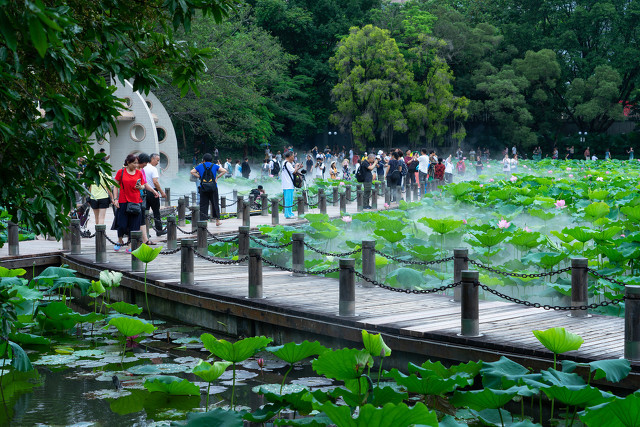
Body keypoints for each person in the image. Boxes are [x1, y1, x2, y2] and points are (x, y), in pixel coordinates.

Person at [112, 154, 158, 252]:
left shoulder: (139, 173)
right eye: (134, 163)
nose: (136, 165)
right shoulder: (121, 172)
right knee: (122, 224)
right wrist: (115, 199)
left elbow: (144, 185)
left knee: (134, 225)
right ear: (128, 163)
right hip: (123, 201)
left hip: (136, 201)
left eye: (137, 163)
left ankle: (130, 245)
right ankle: (120, 240)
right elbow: (115, 185)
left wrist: (153, 191)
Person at [191, 153, 226, 226]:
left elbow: (192, 171)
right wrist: (217, 177)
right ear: (211, 159)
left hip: (203, 187)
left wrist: (198, 176)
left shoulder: (200, 166)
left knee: (203, 204)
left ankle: (204, 220)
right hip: (213, 187)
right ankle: (217, 221)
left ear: (203, 160)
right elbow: (224, 171)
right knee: (215, 203)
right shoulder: (214, 166)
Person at [144, 153, 168, 237]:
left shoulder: (143, 168)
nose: (158, 162)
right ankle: (159, 230)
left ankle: (145, 232)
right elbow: (155, 182)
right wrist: (161, 192)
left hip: (144, 191)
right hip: (153, 192)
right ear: (152, 159)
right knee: (156, 212)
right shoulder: (153, 169)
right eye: (157, 160)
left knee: (145, 212)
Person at [282, 151, 302, 219]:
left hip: (287, 184)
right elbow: (293, 171)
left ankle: (289, 213)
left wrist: (298, 168)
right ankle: (287, 214)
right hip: (288, 184)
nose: (293, 158)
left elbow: (293, 171)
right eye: (293, 156)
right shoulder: (287, 163)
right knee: (288, 200)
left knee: (289, 200)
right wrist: (296, 166)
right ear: (290, 156)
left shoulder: (284, 163)